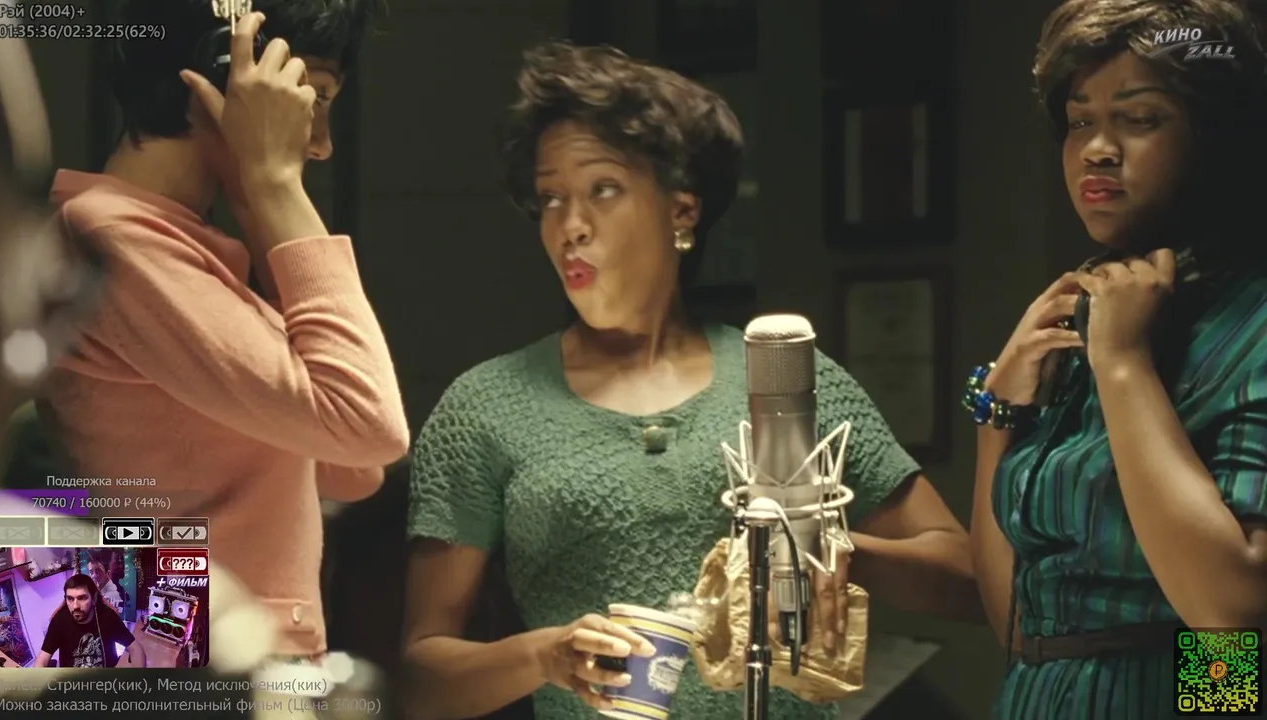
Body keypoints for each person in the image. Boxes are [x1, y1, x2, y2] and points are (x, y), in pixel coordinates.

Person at [404, 41, 982, 720]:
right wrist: (544, 657)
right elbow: (418, 680)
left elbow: (970, 579)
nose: (570, 227)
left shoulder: (786, 378)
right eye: (551, 198)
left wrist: (833, 551)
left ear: (682, 210)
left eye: (603, 190)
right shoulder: (486, 408)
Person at [31, 0, 407, 664]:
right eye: (312, 96)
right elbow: (369, 425)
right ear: (226, 76)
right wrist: (275, 184)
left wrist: (261, 205)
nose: (320, 142)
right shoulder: (112, 239)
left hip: (216, 664)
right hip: (183, 670)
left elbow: (353, 469)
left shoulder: (176, 245)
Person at [967, 1, 1267, 717]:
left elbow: (1232, 616)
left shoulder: (1250, 321)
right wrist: (998, 415)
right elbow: (1021, 627)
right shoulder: (1088, 311)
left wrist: (1126, 365)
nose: (1097, 149)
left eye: (1139, 118)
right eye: (1080, 123)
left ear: (1214, 137)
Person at [34, 573, 143, 669]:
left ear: (94, 599)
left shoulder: (107, 616)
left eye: (82, 598)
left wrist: (138, 681)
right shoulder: (59, 620)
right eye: (70, 599)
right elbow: (42, 660)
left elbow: (135, 648)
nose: (75, 606)